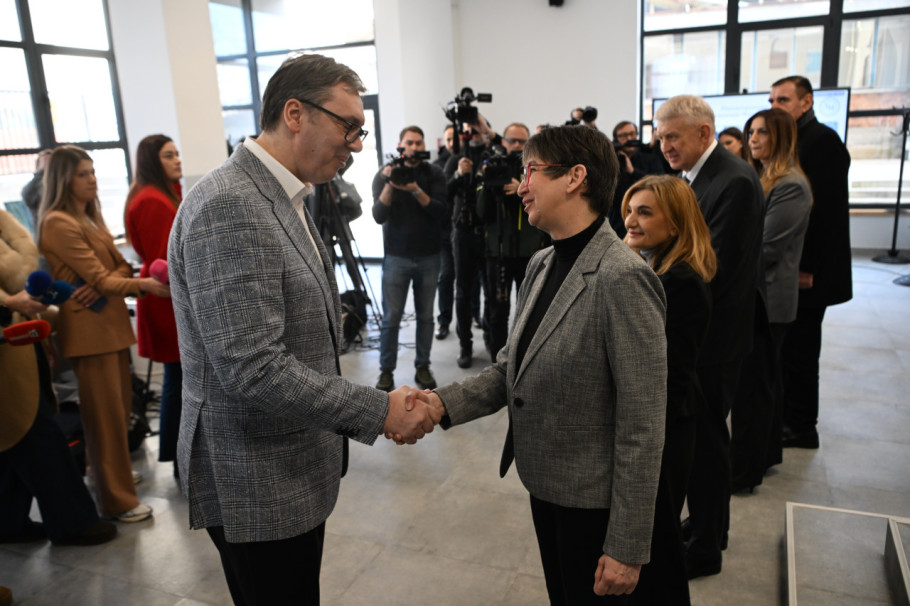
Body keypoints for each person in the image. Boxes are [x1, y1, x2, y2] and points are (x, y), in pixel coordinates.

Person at [167, 53, 436, 604]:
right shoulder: (230, 206)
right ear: (295, 114)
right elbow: (253, 368)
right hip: (256, 477)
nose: (355, 145)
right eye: (348, 126)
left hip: (289, 463)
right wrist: (378, 409)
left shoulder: (285, 194)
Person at [418, 125, 668, 604]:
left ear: (575, 177)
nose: (522, 186)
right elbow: (510, 368)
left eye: (531, 170)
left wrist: (627, 545)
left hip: (593, 504)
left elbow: (643, 424)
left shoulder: (623, 278)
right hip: (546, 485)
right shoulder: (542, 263)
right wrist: (438, 404)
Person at [655, 95, 764, 579]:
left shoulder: (733, 180)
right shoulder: (696, 176)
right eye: (661, 137)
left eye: (673, 136)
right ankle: (707, 526)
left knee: (705, 444)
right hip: (705, 330)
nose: (665, 145)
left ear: (704, 133)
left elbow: (710, 264)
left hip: (713, 337)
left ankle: (705, 547)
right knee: (701, 442)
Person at [37, 145, 169, 523]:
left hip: (108, 326)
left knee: (118, 412)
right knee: (105, 419)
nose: (92, 179)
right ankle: (117, 500)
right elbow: (102, 277)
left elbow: (118, 268)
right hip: (89, 331)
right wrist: (142, 284)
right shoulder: (59, 222)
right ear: (64, 179)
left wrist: (109, 282)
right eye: (82, 174)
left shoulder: (89, 218)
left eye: (93, 172)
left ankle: (111, 476)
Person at [622, 175, 716, 606]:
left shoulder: (679, 280)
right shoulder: (656, 268)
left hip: (667, 429)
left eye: (645, 212)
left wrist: (644, 442)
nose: (631, 220)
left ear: (675, 223)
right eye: (630, 210)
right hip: (663, 425)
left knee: (658, 550)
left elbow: (671, 375)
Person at [1, 209, 118, 547]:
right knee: (37, 436)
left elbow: (23, 271)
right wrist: (8, 302)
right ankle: (74, 523)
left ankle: (9, 522)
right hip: (7, 344)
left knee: (15, 438)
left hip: (20, 341)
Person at [769, 75, 853, 449]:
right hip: (794, 267)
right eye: (772, 100)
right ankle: (789, 417)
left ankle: (803, 426)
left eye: (783, 100)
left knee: (801, 351)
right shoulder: (794, 140)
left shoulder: (822, 142)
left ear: (806, 102)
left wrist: (808, 268)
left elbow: (825, 215)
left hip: (808, 270)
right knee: (789, 350)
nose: (775, 107)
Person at [731, 108, 812, 491]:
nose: (753, 139)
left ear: (781, 137)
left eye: (762, 132)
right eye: (751, 132)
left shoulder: (791, 184)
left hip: (770, 300)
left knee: (754, 387)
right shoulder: (761, 177)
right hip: (758, 294)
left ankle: (745, 470)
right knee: (762, 383)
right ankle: (762, 456)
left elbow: (768, 247)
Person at [124, 134, 184, 475]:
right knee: (179, 378)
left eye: (177, 154)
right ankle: (179, 456)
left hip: (167, 295)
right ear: (152, 161)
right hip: (165, 297)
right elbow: (164, 260)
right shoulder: (152, 200)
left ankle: (180, 455)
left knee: (179, 377)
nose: (177, 160)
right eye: (168, 155)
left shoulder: (161, 194)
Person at [372, 125, 446, 392]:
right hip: (396, 257)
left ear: (423, 146)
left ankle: (422, 366)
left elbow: (441, 211)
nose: (414, 147)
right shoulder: (385, 174)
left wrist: (415, 189)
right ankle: (386, 371)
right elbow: (378, 215)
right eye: (410, 142)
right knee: (391, 317)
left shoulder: (434, 172)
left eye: (418, 143)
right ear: (400, 145)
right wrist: (391, 184)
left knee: (426, 317)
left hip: (429, 256)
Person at [476, 122, 548, 360]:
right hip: (497, 253)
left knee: (529, 310)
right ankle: (497, 362)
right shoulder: (490, 168)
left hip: (530, 253)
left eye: (521, 141)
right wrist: (487, 184)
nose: (516, 146)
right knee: (497, 311)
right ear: (503, 142)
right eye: (511, 141)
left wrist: (522, 189)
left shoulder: (537, 172)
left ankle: (524, 361)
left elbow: (547, 208)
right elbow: (481, 213)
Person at [443, 115, 495, 368]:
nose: (472, 132)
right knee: (463, 292)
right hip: (463, 232)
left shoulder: (492, 155)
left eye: (477, 128)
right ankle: (465, 345)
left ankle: (491, 340)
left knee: (492, 291)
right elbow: (443, 195)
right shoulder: (455, 159)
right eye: (468, 129)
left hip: (489, 232)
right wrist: (457, 175)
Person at [610, 121, 665, 238]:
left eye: (632, 134)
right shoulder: (610, 162)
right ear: (616, 139)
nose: (629, 138)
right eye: (623, 135)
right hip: (616, 226)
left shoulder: (650, 158)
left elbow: (662, 184)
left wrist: (633, 172)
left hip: (647, 225)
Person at [435, 125, 457, 340]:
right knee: (446, 276)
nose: (452, 142)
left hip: (465, 230)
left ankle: (476, 315)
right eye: (448, 139)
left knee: (473, 280)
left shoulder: (472, 159)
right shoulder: (437, 166)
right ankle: (444, 320)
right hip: (443, 232)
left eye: (455, 138)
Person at [20, 149, 52, 236]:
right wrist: (42, 170)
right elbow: (28, 195)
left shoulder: (66, 185)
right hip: (45, 237)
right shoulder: (32, 189)